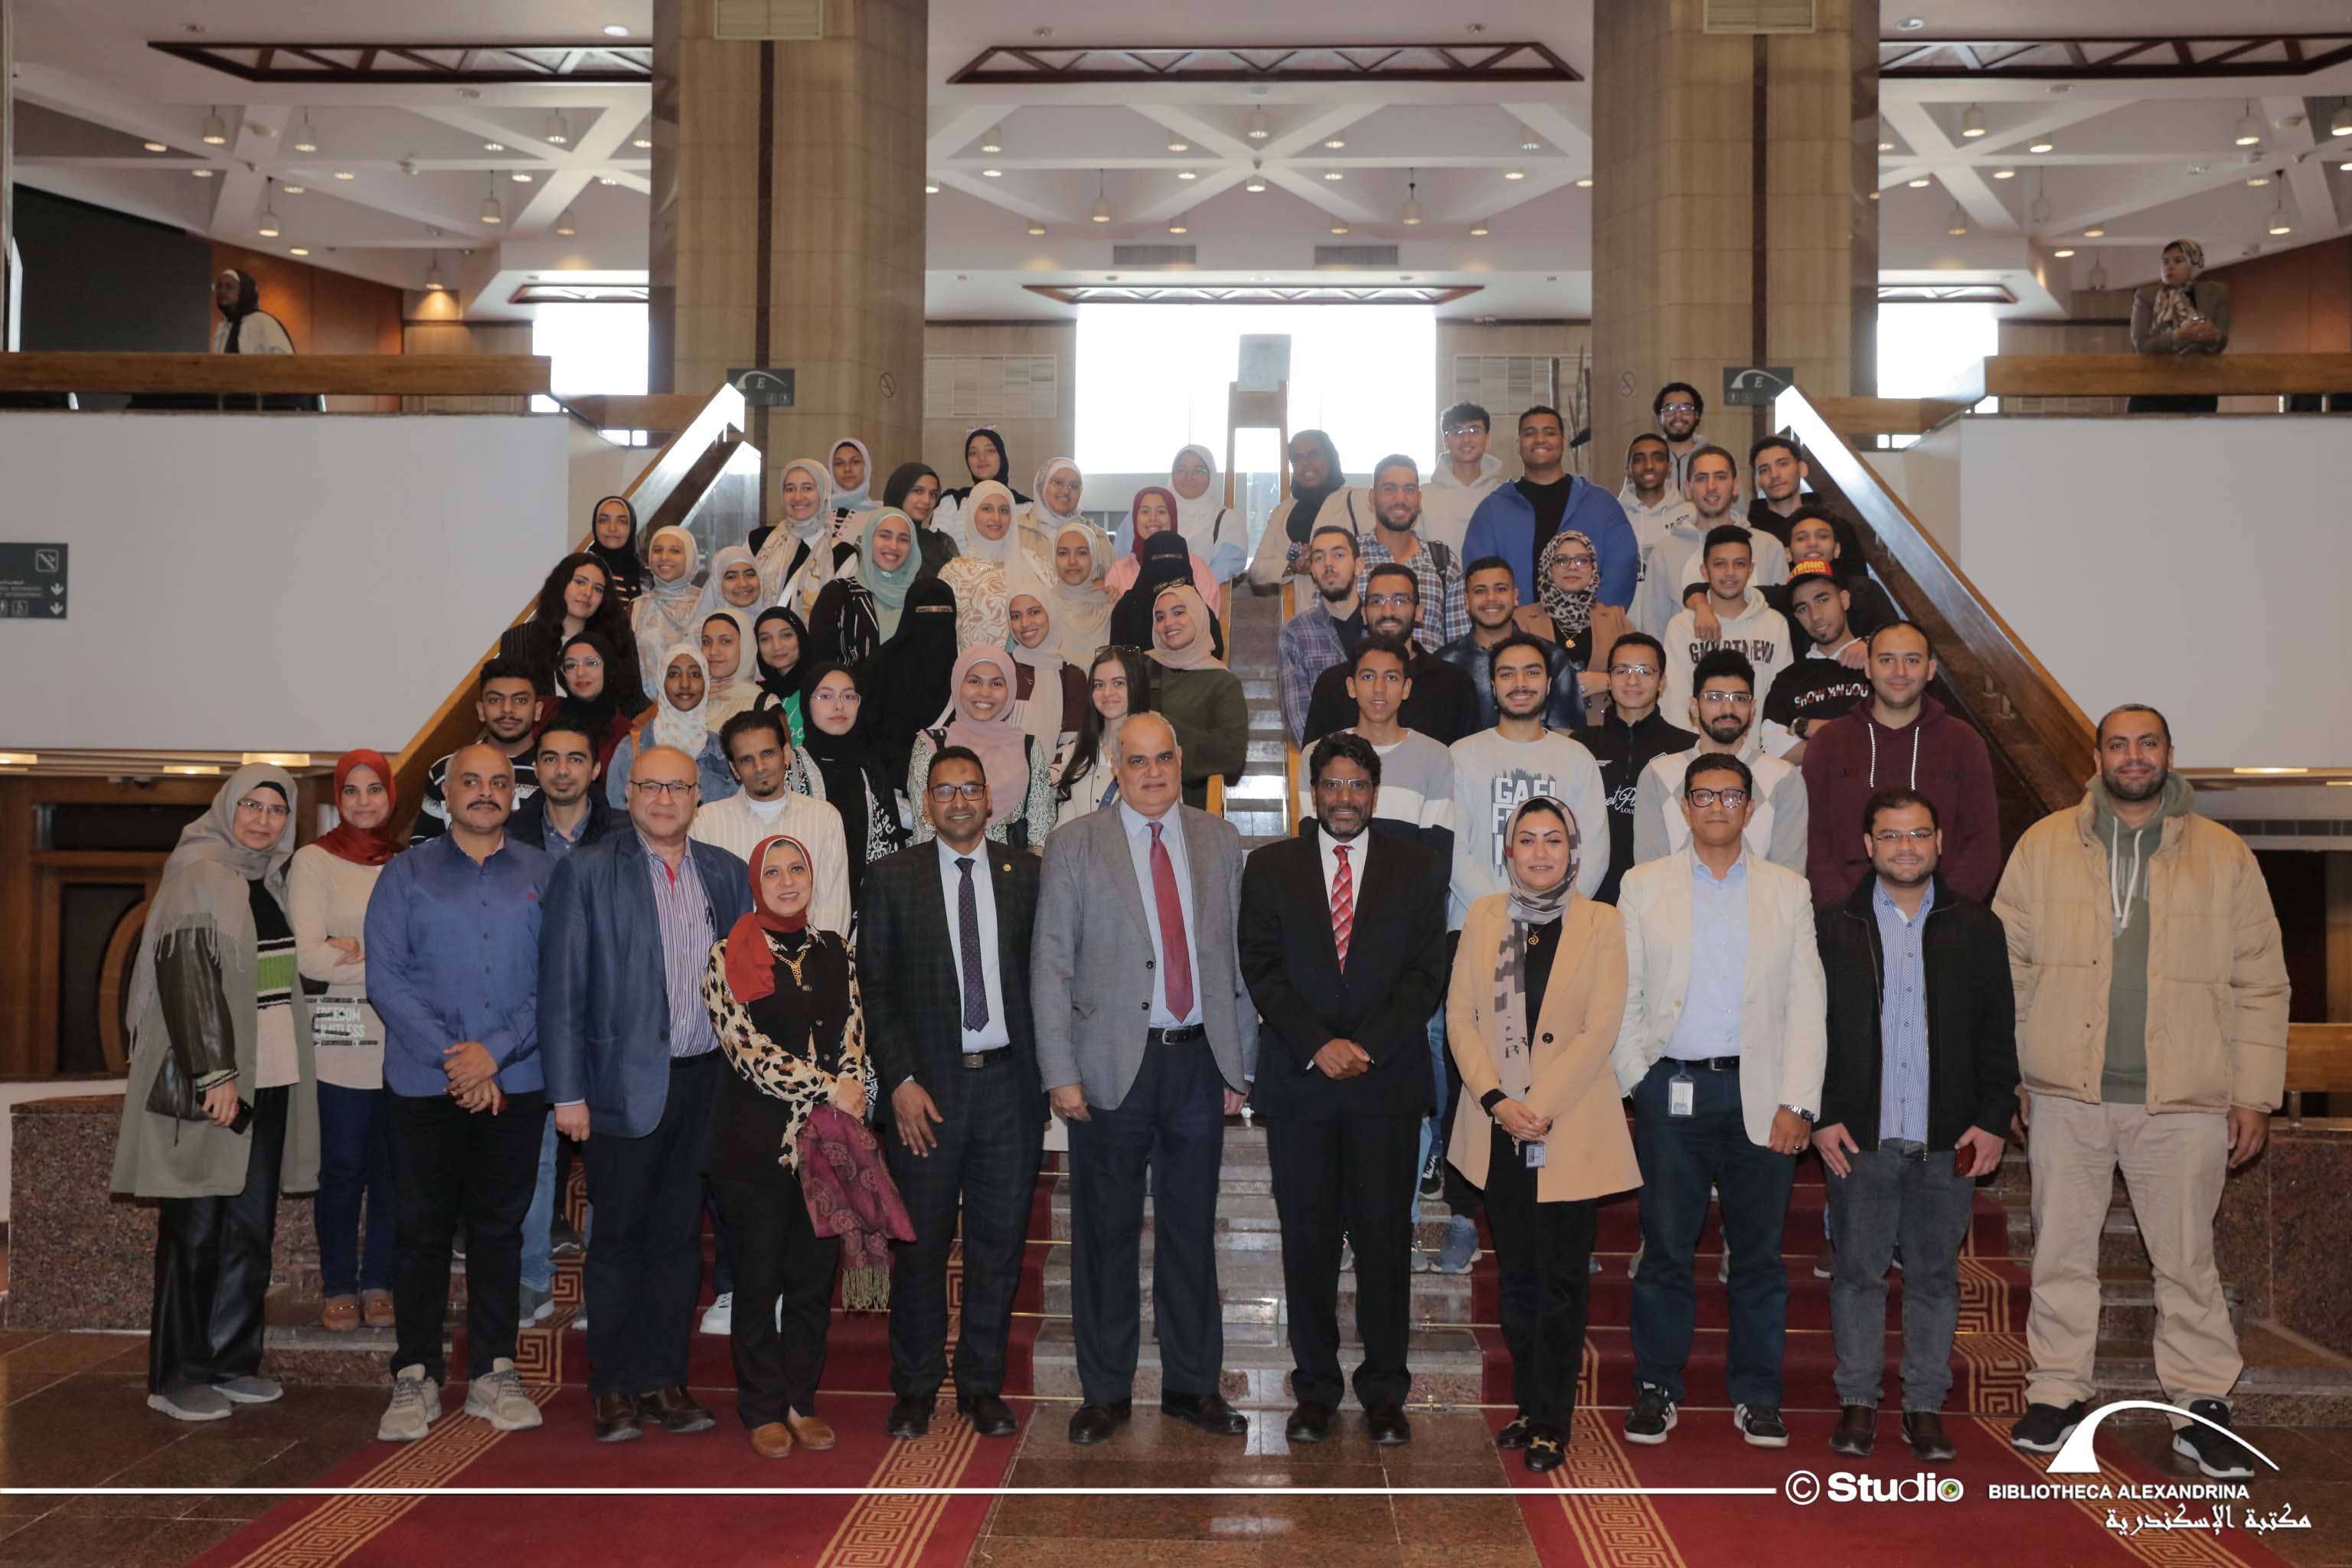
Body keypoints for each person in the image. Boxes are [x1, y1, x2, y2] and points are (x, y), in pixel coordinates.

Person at [1999, 705, 2287, 1480]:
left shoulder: (2224, 855)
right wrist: (2011, 1074)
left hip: (2185, 1099)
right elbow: (2008, 970)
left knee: (2188, 1261)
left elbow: (2262, 983)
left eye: (2147, 743)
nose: (2134, 755)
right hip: (2067, 1095)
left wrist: (2255, 1094)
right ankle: (2058, 1388)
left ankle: (2202, 1404)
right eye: (2119, 744)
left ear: (2168, 753)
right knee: (2061, 1251)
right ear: (2096, 758)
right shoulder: (2043, 845)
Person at [1031, 712, 1258, 1445]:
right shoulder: (1074, 844)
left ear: (1181, 760)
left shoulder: (1219, 839)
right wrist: (1060, 1071)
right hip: (1108, 1067)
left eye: (1163, 758)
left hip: (1198, 1062)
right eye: (1137, 761)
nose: (1152, 772)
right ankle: (1105, 1393)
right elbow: (1050, 964)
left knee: (1191, 1231)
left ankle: (1193, 1387)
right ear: (1114, 765)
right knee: (1105, 1233)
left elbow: (1237, 957)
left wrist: (1239, 1061)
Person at [541, 743, 756, 1442]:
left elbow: (744, 985)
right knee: (618, 1240)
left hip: (706, 1086)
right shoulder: (587, 871)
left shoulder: (724, 873)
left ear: (699, 798)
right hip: (618, 1089)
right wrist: (567, 1094)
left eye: (679, 788)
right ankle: (612, 1385)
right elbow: (561, 989)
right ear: (627, 794)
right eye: (652, 787)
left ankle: (665, 1380)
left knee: (679, 1243)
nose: (665, 800)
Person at [1612, 751, 1826, 1450]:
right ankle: (1656, 1387)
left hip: (1762, 1095)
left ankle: (1758, 1395)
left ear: (1750, 808)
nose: (1715, 808)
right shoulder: (1643, 885)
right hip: (1671, 1090)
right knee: (1666, 1249)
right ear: (1684, 808)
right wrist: (1639, 1080)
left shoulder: (1788, 890)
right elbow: (1626, 990)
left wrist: (1799, 1101)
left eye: (1730, 796)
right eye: (1702, 796)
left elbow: (1807, 1003)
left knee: (1759, 1257)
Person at [1240, 731, 1449, 1447]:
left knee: (1386, 1244)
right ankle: (1316, 1390)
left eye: (1357, 785)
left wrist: (1366, 1046)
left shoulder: (1417, 868)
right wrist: (1318, 1045)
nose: (1344, 798)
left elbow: (1426, 973)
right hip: (1302, 1086)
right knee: (1308, 1245)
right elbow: (1260, 966)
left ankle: (1385, 1392)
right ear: (1313, 792)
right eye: (1331, 784)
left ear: (1375, 793)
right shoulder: (1270, 867)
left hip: (1384, 1084)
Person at [1815, 788, 2018, 1464]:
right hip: (1859, 1138)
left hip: (1947, 1139)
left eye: (1918, 834)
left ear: (1939, 842)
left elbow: (1998, 1032)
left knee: (1934, 1278)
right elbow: (1807, 1030)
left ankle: (1925, 1407)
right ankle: (1858, 1401)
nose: (1906, 847)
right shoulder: (1833, 926)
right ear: (1868, 846)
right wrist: (1821, 1115)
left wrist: (1992, 1119)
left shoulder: (1978, 927)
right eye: (1891, 835)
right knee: (1857, 1274)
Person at [114, 763, 318, 1423]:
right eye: (251, 805)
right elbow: (187, 979)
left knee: (249, 1230)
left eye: (277, 809)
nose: (263, 819)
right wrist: (215, 1074)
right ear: (226, 807)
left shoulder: (270, 880)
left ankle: (231, 1361)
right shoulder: (198, 874)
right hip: (216, 1082)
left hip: (273, 1074)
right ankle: (176, 1376)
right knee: (196, 1231)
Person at [364, 743, 551, 1441]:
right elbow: (386, 978)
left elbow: (559, 980)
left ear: (514, 795)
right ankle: (415, 1374)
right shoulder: (404, 874)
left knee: (501, 1232)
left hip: (517, 1080)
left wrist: (493, 1054)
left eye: (499, 782)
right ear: (447, 793)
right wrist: (460, 1063)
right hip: (423, 1084)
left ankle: (494, 1371)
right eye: (471, 781)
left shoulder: (545, 873)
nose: (485, 792)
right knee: (421, 1233)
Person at [862, 750, 1046, 1442]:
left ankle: (981, 1386)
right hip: (926, 1096)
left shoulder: (1028, 875)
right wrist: (900, 1082)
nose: (960, 801)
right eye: (946, 791)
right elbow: (875, 990)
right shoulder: (892, 877)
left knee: (998, 1248)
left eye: (971, 789)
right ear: (927, 802)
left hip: (1009, 1090)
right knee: (921, 1247)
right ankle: (914, 1389)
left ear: (990, 800)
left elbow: (1048, 978)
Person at [1448, 796, 1635, 1472]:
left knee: (1561, 1282)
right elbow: (1461, 1017)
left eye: (1553, 839)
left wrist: (1538, 1105)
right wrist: (1498, 1100)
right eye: (1526, 840)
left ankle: (1554, 1420)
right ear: (1509, 852)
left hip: (1568, 1124)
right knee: (1518, 1277)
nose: (1539, 852)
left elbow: (1600, 1029)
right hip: (1497, 1126)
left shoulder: (1602, 922)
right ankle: (1528, 1406)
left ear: (1573, 851)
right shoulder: (1483, 916)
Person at [701, 834, 872, 1458]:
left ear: (811, 877)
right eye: (773, 872)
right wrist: (830, 1089)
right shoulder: (727, 954)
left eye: (797, 868)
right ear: (756, 883)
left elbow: (853, 1035)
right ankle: (762, 1406)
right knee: (757, 1280)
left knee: (811, 1280)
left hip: (824, 1147)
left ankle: (801, 1400)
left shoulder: (837, 952)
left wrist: (848, 1087)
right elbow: (747, 1051)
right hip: (753, 1147)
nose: (787, 880)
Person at [508, 710, 622, 1324]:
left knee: (607, 1156)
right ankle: (532, 1276)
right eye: (550, 758)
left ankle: (602, 1282)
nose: (562, 770)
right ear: (537, 767)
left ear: (596, 769)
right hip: (529, 1018)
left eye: (575, 758)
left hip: (608, 1019)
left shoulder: (623, 835)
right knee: (536, 1156)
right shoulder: (510, 835)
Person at [288, 750, 401, 1334]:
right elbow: (309, 958)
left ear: (391, 795)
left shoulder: (406, 861)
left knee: (391, 1170)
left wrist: (353, 951)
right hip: (340, 1033)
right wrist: (387, 963)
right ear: (338, 798)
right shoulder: (314, 861)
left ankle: (379, 1283)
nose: (363, 801)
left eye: (374, 789)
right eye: (351, 791)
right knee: (342, 1168)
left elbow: (426, 955)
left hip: (403, 1037)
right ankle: (338, 1285)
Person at [1799, 622, 2000, 909]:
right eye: (1886, 660)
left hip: (1943, 919)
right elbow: (1812, 839)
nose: (1900, 672)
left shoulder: (1964, 742)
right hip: (1847, 919)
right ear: (1868, 667)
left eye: (1912, 660)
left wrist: (1945, 914)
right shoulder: (1829, 743)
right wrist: (1844, 915)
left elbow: (1983, 842)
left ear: (1931, 669)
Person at [1632, 649, 1808, 872]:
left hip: (1764, 896)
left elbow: (1790, 878)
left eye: (1739, 699)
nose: (1728, 709)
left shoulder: (1784, 777)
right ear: (1694, 707)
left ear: (1753, 708)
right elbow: (1648, 875)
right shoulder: (1658, 775)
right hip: (1671, 896)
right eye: (1715, 698)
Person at [694, 709, 852, 934]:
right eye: (746, 759)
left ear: (786, 754)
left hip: (811, 954)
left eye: (767, 753)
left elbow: (833, 910)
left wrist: (812, 956)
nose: (759, 767)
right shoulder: (706, 823)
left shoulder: (824, 818)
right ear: (734, 769)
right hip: (732, 954)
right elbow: (701, 910)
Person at [1463, 406, 1637, 609]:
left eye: (1549, 432)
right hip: (1516, 627)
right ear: (1518, 445)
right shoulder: (1492, 511)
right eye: (1530, 433)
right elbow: (1479, 577)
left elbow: (1621, 570)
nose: (1540, 439)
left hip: (1591, 626)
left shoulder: (1601, 504)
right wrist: (1516, 624)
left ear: (1563, 442)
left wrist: (1594, 620)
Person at [1570, 632, 1694, 906]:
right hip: (1589, 895)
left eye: (1645, 671)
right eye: (1622, 671)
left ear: (1662, 681)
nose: (1632, 681)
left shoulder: (1688, 749)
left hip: (1664, 897)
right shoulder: (1580, 745)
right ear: (1609, 678)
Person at [1301, 565, 1479, 747]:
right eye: (1376, 602)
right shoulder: (1332, 685)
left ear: (1419, 613)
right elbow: (1314, 760)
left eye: (1400, 601)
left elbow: (1467, 758)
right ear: (1364, 614)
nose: (1387, 612)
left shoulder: (1454, 684)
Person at [1317, 639, 1455, 860]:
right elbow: (1313, 851)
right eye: (1368, 677)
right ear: (1351, 687)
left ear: (1406, 688)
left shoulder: (1435, 757)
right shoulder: (1320, 754)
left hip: (1410, 882)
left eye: (1391, 678)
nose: (1379, 689)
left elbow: (1436, 855)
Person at [910, 646, 1059, 852]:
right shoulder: (932, 745)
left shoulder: (1028, 747)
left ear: (1010, 689)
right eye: (974, 681)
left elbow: (1040, 835)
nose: (985, 693)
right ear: (958, 683)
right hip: (946, 867)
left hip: (1013, 869)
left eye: (997, 684)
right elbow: (925, 830)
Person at [1638, 446, 1788, 637]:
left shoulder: (1768, 546)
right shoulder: (1665, 551)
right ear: (1687, 489)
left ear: (1735, 486)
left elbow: (1783, 621)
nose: (1711, 486)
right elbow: (1654, 629)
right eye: (1701, 478)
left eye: (1720, 477)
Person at [799, 663, 911, 909]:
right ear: (806, 703)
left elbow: (887, 848)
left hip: (867, 913)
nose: (839, 705)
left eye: (849, 696)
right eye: (825, 696)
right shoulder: (792, 768)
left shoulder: (871, 768)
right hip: (803, 910)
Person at [1661, 526, 1792, 728]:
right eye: (1720, 564)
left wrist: (1769, 745)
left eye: (1739, 564)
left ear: (1750, 570)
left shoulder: (1775, 624)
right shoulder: (1682, 626)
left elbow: (1782, 700)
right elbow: (1675, 704)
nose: (1730, 572)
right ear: (1705, 571)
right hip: (1698, 746)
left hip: (1762, 746)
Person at [1434, 558, 1583, 732]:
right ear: (1466, 601)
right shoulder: (1444, 663)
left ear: (1515, 596)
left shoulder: (1551, 657)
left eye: (1501, 589)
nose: (1491, 598)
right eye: (1480, 591)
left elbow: (1567, 733)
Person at [412, 659, 541, 844]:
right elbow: (422, 843)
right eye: (495, 700)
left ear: (537, 710)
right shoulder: (447, 769)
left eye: (520, 700)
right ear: (481, 710)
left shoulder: (554, 772)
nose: (507, 709)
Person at [1146, 584, 1248, 811]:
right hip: (1137, 797)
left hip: (1193, 806)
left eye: (1179, 612)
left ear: (1199, 615)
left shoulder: (1223, 682)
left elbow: (1232, 754)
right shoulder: (1142, 668)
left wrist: (1163, 726)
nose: (1168, 623)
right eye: (1160, 617)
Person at [1760, 564, 1873, 761]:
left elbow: (1893, 733)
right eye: (1803, 608)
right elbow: (1773, 752)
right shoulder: (1788, 679)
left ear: (1844, 599)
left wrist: (1808, 728)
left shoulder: (1879, 663)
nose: (1815, 616)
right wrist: (1853, 740)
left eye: (1822, 600)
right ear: (1797, 616)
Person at [1523, 528, 1634, 725]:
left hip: (1604, 728)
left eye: (1582, 560)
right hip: (1540, 729)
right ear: (1548, 567)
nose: (1572, 567)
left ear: (1593, 568)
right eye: (1562, 560)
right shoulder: (1522, 620)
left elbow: (1643, 672)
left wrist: (1608, 681)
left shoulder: (1616, 619)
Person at [606, 646, 738, 809]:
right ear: (661, 681)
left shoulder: (723, 750)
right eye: (674, 674)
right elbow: (618, 815)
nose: (685, 684)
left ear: (706, 682)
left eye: (695, 674)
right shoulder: (630, 749)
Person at [1356, 456, 1467, 647]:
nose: (1400, 499)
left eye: (1409, 490)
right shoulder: (1348, 558)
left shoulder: (1443, 562)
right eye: (1389, 489)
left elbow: (1460, 646)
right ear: (1372, 497)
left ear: (1419, 499)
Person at [861, 577, 962, 782]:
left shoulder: (964, 669)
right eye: (924, 611)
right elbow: (868, 732)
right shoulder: (880, 666)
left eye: (943, 611)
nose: (934, 618)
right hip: (890, 783)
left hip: (951, 782)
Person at [1276, 524, 1366, 747]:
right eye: (1318, 558)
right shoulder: (1296, 633)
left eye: (1338, 554)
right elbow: (1298, 719)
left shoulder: (1382, 626)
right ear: (1313, 572)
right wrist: (1339, 760)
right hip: (1326, 762)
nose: (1328, 564)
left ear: (1359, 566)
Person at [500, 553, 636, 698]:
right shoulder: (519, 638)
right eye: (580, 582)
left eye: (598, 589)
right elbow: (511, 700)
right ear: (560, 585)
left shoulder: (618, 638)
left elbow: (634, 703)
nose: (588, 593)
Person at [1249, 429, 1370, 590]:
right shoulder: (1282, 512)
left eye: (1314, 455)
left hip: (1353, 603)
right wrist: (1292, 566)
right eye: (1297, 458)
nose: (1305, 463)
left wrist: (1324, 557)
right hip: (1305, 605)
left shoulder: (1359, 500)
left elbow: (1381, 553)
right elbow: (1257, 570)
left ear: (1331, 458)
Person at [807, 508, 921, 668]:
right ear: (868, 539)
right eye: (885, 536)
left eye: (903, 539)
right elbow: (823, 665)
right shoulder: (838, 595)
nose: (894, 546)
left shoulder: (922, 599)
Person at [1054, 646, 1153, 830]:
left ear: (1136, 686)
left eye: (1118, 683)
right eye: (1099, 685)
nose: (1107, 692)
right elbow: (1065, 825)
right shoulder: (1075, 753)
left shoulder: (1155, 751)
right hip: (1081, 848)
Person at [1116, 445, 1246, 583]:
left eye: (1199, 471)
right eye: (1181, 470)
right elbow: (1120, 564)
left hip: (1197, 596)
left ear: (1212, 475)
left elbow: (1217, 575)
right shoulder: (1142, 514)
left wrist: (1173, 593)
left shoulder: (1228, 521)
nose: (1189, 477)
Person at [2128, 238, 2230, 413]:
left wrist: (2211, 335)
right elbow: (2141, 344)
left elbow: (2221, 341)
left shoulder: (2216, 292)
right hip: (2153, 388)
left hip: (2198, 389)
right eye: (2165, 262)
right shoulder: (2146, 295)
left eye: (2178, 261)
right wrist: (2179, 335)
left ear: (2194, 264)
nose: (2169, 267)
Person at [1778, 508, 1896, 638]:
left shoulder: (1865, 591)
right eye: (1801, 538)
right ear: (1787, 554)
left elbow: (1894, 638)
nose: (1812, 543)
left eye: (1823, 536)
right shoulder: (1776, 600)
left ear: (1837, 550)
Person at [1748, 436, 1865, 568]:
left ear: (1802, 469)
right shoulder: (1748, 533)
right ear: (1756, 481)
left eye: (1783, 464)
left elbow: (1858, 580)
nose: (1774, 475)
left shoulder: (1838, 527)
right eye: (1764, 470)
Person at [1619, 433, 1697, 625]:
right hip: (1626, 626)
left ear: (1669, 467)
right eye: (1639, 459)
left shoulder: (1692, 514)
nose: (1649, 466)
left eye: (1658, 458)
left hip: (1679, 626)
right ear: (1628, 469)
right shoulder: (1613, 516)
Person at [936, 482, 1021, 652]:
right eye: (987, 509)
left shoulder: (1033, 565)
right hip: (969, 666)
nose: (996, 518)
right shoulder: (953, 572)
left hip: (1023, 666)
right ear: (972, 513)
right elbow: (943, 635)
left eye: (1004, 510)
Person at [1112, 531, 1225, 658]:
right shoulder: (1127, 610)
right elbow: (1118, 662)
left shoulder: (1198, 609)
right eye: (1158, 562)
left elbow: (1215, 652)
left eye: (1178, 613)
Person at [1004, 579, 1087, 753]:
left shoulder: (1072, 676)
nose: (1025, 623)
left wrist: (1044, 770)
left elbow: (1071, 747)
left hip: (1053, 769)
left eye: (1034, 612)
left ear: (1050, 613)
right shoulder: (1000, 668)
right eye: (1016, 616)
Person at [1106, 486, 1221, 606]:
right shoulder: (1118, 571)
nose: (1153, 518)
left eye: (1161, 511)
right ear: (1135, 518)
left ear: (1172, 517)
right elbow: (1108, 615)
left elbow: (1208, 614)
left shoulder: (1195, 566)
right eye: (1145, 511)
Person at [553, 631, 647, 773]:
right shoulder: (544, 712)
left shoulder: (625, 734)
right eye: (571, 665)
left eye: (592, 663)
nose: (580, 673)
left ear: (609, 668)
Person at [1420, 401, 1506, 555]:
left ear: (1487, 439)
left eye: (1474, 430)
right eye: (1457, 431)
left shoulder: (1504, 495)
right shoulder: (1422, 497)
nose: (1466, 439)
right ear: (1445, 441)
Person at [752, 456, 838, 604]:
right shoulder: (758, 541)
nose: (797, 497)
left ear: (823, 493)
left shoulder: (841, 553)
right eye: (790, 489)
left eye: (807, 488)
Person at [630, 525, 704, 694]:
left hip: (700, 704)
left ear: (690, 556)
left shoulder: (707, 604)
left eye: (675, 551)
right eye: (658, 550)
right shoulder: (636, 608)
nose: (664, 557)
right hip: (645, 706)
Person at [1036, 520, 1118, 665]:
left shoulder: (1112, 605)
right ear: (1054, 558)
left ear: (1094, 556)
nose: (1072, 561)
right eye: (1063, 553)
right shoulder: (1043, 607)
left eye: (1082, 553)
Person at [880, 459, 959, 580]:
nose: (927, 501)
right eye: (918, 491)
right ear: (899, 491)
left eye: (933, 494)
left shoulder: (941, 545)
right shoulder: (877, 540)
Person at [749, 606, 812, 746]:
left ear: (800, 637)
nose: (777, 646)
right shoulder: (756, 694)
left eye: (786, 635)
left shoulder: (822, 686)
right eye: (766, 639)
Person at [939, 426, 1030, 519]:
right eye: (973, 453)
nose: (981, 458)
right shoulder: (953, 501)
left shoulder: (1027, 508)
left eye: (990, 451)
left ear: (1001, 456)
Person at [698, 607, 757, 734]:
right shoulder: (689, 697)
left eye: (725, 641)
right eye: (706, 642)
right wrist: (691, 700)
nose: (713, 651)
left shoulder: (762, 704)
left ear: (745, 646)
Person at [586, 494, 646, 616]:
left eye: (622, 521)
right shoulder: (577, 570)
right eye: (604, 520)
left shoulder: (648, 578)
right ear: (595, 526)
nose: (612, 528)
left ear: (632, 528)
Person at [210, 269, 294, 355]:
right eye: (219, 286)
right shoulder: (224, 325)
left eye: (229, 286)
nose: (222, 291)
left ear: (244, 290)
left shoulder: (263, 321)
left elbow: (285, 359)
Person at [1024, 457, 1086, 560]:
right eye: (1058, 482)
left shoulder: (1096, 535)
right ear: (1042, 486)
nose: (1066, 491)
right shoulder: (1015, 531)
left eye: (1074, 486)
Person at [1653, 382, 1707, 491]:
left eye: (1686, 409)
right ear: (1659, 418)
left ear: (1697, 415)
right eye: (1670, 409)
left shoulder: (1717, 457)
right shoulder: (1646, 459)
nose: (1678, 415)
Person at [828, 436, 874, 520]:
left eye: (855, 462)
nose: (847, 469)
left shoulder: (881, 515)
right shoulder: (819, 513)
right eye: (839, 464)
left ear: (866, 467)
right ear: (831, 469)